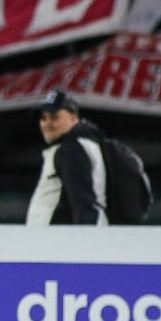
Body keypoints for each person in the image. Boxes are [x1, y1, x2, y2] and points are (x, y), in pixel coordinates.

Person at [26, 89, 109, 225]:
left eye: (54, 117)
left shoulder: (72, 149)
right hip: (60, 239)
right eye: (43, 118)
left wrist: (86, 240)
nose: (47, 124)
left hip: (62, 241)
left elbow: (83, 202)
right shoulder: (80, 144)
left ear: (74, 118)